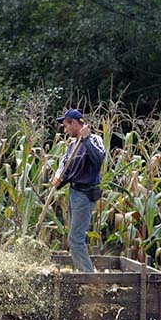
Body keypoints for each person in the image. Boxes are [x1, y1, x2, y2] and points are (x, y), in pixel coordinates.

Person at [50, 108, 106, 272]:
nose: (65, 131)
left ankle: (87, 275)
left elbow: (98, 160)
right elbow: (66, 169)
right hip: (74, 193)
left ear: (74, 123)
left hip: (85, 194)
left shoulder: (94, 139)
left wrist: (86, 139)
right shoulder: (72, 146)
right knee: (74, 236)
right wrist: (58, 180)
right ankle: (83, 271)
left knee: (75, 238)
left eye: (66, 126)